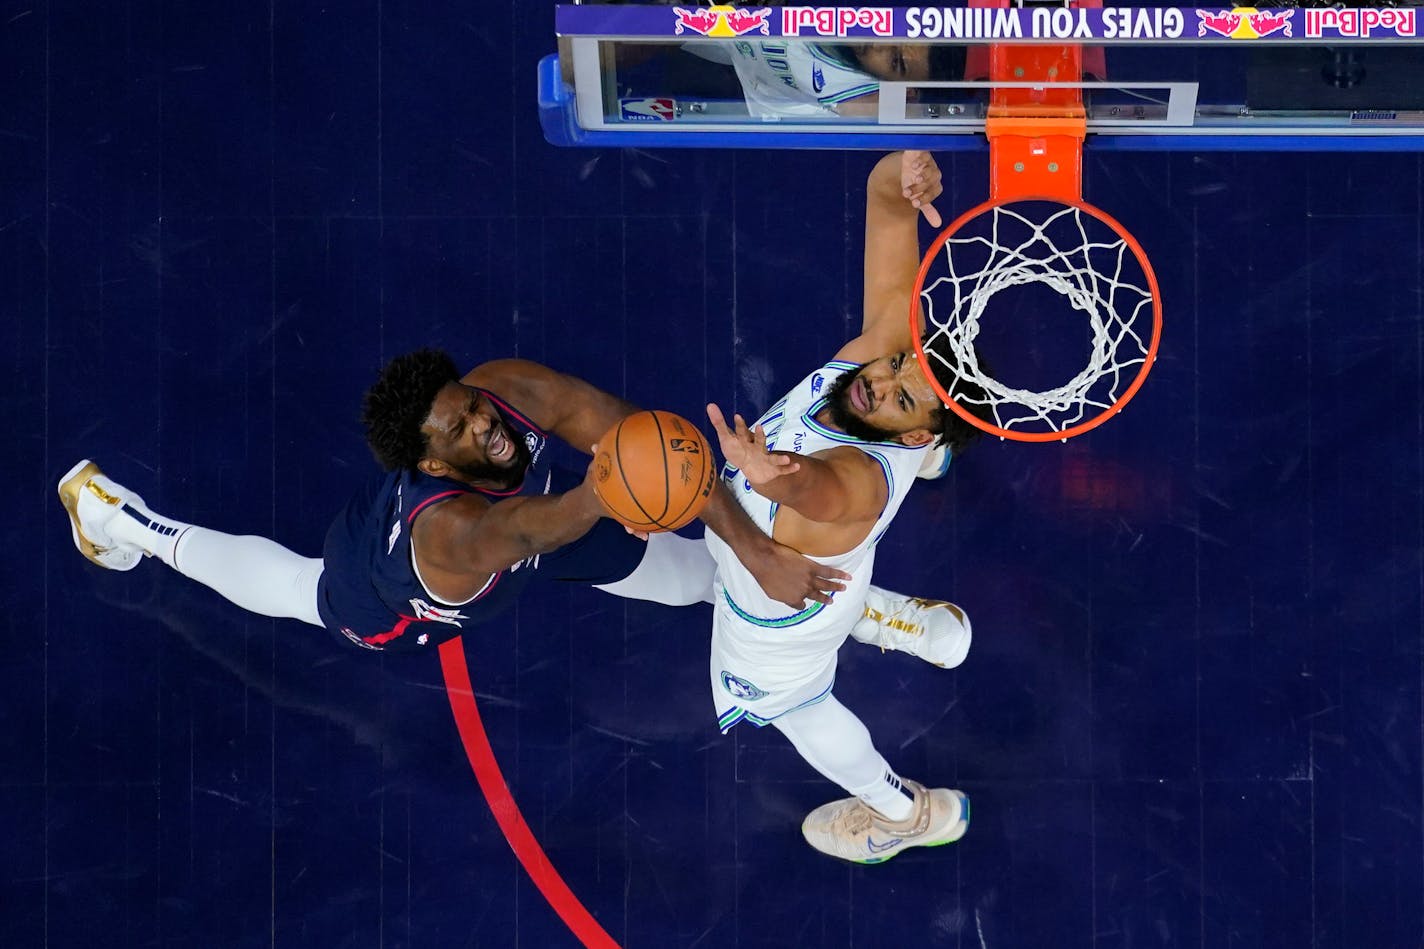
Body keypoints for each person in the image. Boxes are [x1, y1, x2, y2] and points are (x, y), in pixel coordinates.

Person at [57, 355, 937, 652]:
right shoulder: (448, 535)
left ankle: (855, 608)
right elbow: (534, 527)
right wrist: (619, 488)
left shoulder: (504, 392)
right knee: (306, 593)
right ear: (429, 459)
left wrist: (751, 545)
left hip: (559, 519)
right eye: (465, 429)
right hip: (410, 582)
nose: (488, 426)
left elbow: (646, 441)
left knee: (693, 578)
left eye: (473, 406)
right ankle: (116, 514)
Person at [702, 149, 989, 864]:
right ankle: (899, 614)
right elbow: (886, 206)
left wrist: (775, 477)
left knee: (794, 710)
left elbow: (823, 490)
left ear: (912, 427)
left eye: (898, 398)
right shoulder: (883, 354)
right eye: (897, 367)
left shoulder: (855, 479)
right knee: (713, 564)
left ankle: (908, 812)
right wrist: (902, 176)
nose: (878, 379)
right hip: (831, 572)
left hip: (787, 613)